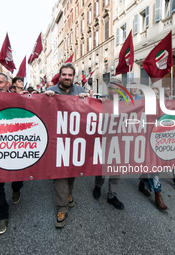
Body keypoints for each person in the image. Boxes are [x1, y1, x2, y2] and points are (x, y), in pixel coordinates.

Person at [45, 63, 89, 228]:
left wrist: (87, 101)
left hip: (75, 140)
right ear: (60, 75)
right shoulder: (51, 92)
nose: (67, 77)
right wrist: (45, 100)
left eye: (70, 75)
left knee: (72, 170)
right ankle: (62, 207)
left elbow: (89, 113)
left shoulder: (80, 91)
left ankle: (69, 194)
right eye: (64, 75)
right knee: (59, 173)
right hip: (57, 141)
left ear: (73, 76)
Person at [0, 72, 24, 235]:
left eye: (0, 82)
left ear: (7, 83)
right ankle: (2, 215)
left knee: (17, 176)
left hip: (16, 146)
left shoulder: (18, 98)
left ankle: (17, 188)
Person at [93, 79, 124, 210]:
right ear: (109, 90)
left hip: (120, 142)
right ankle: (98, 185)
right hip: (104, 140)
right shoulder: (101, 103)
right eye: (115, 88)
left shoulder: (128, 105)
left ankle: (112, 195)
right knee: (102, 168)